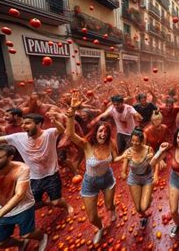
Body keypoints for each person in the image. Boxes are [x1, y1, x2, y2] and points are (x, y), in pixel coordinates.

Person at [0, 113, 74, 214]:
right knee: (33, 204)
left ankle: (67, 206)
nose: (23, 126)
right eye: (23, 123)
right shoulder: (17, 137)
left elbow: (61, 130)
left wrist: (55, 121)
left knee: (56, 201)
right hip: (33, 177)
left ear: (38, 124)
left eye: (27, 123)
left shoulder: (49, 133)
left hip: (51, 175)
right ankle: (47, 202)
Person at [0, 145, 48, 250]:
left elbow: (20, 195)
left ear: (10, 158)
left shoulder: (21, 168)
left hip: (23, 206)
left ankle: (42, 237)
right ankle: (21, 244)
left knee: (27, 234)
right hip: (3, 209)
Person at [65, 95, 119, 244]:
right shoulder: (87, 145)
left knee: (109, 205)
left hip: (107, 178)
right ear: (95, 132)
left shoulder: (111, 143)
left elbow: (116, 159)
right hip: (90, 182)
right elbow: (70, 135)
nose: (103, 134)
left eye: (106, 133)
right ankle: (100, 228)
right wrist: (71, 114)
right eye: (100, 131)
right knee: (92, 217)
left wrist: (129, 157)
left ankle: (113, 210)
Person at [120, 128, 155, 230]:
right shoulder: (129, 152)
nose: (134, 143)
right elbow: (124, 168)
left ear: (141, 141)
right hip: (134, 178)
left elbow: (155, 162)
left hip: (147, 177)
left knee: (144, 206)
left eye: (137, 141)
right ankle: (144, 217)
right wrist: (123, 173)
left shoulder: (148, 149)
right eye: (133, 140)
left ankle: (149, 197)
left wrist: (156, 173)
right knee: (138, 208)